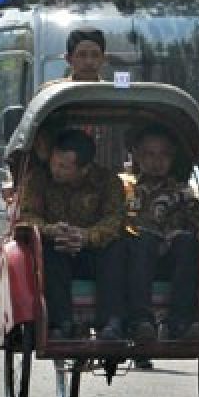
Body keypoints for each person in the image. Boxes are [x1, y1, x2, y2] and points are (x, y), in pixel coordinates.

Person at [18, 128, 127, 340]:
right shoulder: (38, 180)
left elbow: (114, 220)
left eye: (64, 167)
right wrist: (51, 230)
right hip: (55, 247)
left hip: (93, 251)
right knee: (50, 251)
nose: (55, 170)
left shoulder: (109, 182)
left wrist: (86, 236)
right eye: (54, 163)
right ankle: (60, 323)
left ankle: (111, 322)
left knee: (117, 247)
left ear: (84, 169)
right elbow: (28, 215)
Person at [123, 126, 199, 342]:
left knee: (186, 241)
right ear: (138, 156)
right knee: (143, 240)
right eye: (149, 154)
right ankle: (141, 322)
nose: (156, 161)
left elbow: (197, 225)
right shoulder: (125, 189)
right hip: (133, 258)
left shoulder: (183, 193)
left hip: (170, 261)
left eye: (163, 155)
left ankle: (180, 323)